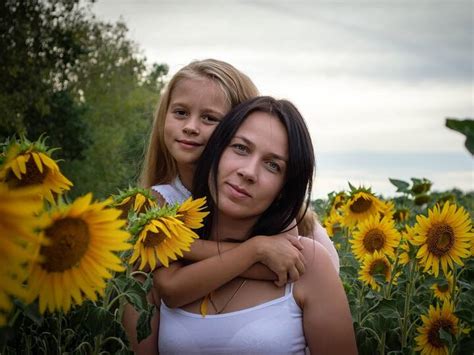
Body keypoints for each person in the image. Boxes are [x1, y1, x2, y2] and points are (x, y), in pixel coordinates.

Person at [156, 96, 357, 354]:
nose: (249, 172)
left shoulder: (306, 261)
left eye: (272, 165)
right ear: (216, 150)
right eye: (240, 148)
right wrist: (256, 249)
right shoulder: (165, 242)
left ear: (285, 188)